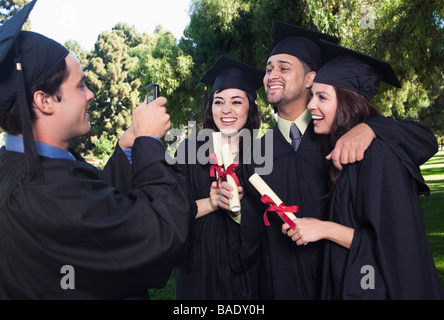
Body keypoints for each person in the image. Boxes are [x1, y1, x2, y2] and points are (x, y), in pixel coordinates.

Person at [219, 21, 439, 300]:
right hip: (282, 284)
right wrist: (236, 210)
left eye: (284, 68)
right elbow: (254, 232)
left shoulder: (342, 138)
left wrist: (372, 127)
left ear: (310, 78)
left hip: (343, 281)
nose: (272, 75)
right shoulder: (256, 152)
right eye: (268, 68)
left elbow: (420, 139)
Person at [0, 0, 195, 299]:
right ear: (44, 101)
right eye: (79, 86)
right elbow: (159, 234)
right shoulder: (41, 190)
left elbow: (93, 215)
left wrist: (126, 150)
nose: (90, 94)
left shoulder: (22, 164)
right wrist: (150, 143)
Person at [283, 40, 443, 299]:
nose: (311, 105)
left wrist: (323, 229)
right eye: (313, 96)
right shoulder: (341, 151)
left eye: (322, 97)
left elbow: (394, 244)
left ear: (348, 103)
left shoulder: (377, 155)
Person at [173, 56, 264, 299]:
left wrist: (240, 210)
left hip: (244, 276)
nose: (226, 110)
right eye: (218, 101)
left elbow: (269, 227)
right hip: (198, 271)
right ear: (210, 107)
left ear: (250, 107)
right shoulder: (188, 152)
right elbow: (170, 211)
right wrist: (212, 203)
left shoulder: (261, 155)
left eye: (236, 101)